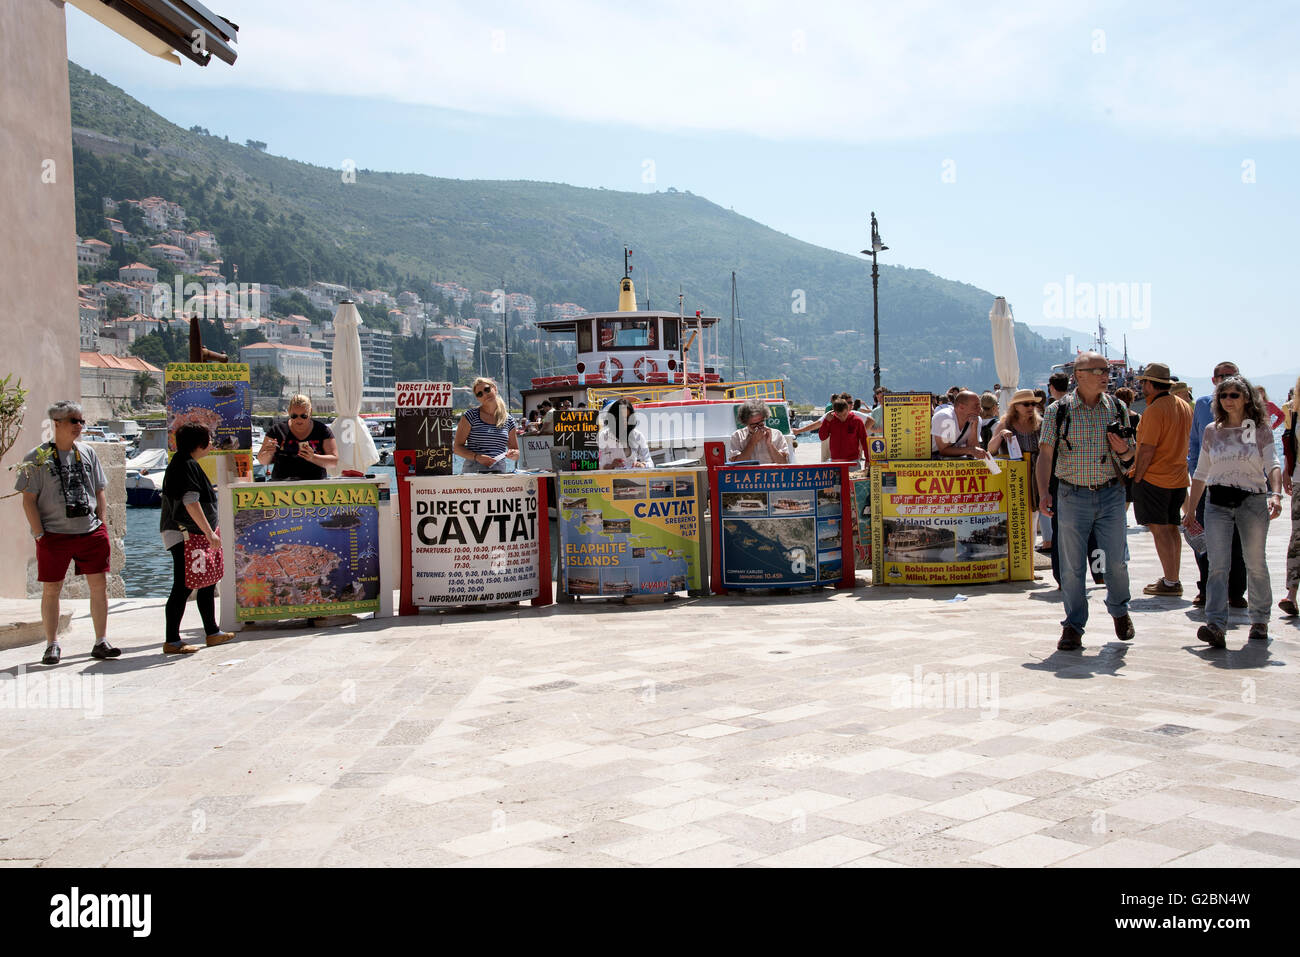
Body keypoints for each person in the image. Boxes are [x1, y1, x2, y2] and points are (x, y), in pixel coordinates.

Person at [1037, 352, 1137, 650]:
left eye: (1106, 370)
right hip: (1072, 494)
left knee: (1116, 561)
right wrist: (1044, 492)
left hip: (1110, 492)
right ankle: (1073, 625)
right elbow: (1045, 454)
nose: (1105, 375)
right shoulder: (1059, 411)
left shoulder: (1118, 407)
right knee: (1071, 566)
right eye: (1098, 370)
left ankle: (1119, 610)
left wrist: (1124, 451)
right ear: (1079, 375)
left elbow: (1131, 457)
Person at [1182, 375, 1283, 647]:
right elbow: (1201, 471)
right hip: (1217, 502)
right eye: (1223, 395)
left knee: (1255, 562)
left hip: (1252, 500)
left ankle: (1260, 619)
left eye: (1234, 395)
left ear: (1247, 398)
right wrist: (1191, 509)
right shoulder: (1212, 430)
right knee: (1217, 565)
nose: (1228, 400)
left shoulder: (1259, 428)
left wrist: (1276, 494)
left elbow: (1272, 463)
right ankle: (1215, 624)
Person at [15, 400, 118, 665]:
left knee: (99, 587)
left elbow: (99, 489)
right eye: (74, 420)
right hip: (54, 535)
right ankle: (52, 644)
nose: (79, 425)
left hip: (90, 532)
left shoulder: (87, 453)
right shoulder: (36, 458)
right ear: (57, 423)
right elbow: (28, 499)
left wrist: (102, 523)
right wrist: (39, 534)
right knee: (52, 589)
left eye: (81, 420)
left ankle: (101, 641)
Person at [159, 424, 235, 654]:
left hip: (195, 535)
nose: (211, 444)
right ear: (199, 444)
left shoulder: (186, 464)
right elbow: (190, 502)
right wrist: (209, 532)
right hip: (186, 535)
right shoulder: (185, 466)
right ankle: (172, 640)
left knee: (207, 582)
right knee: (183, 586)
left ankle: (212, 632)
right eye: (209, 440)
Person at [1130, 363, 1194, 597]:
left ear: (1149, 384)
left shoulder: (1155, 410)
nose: (1141, 386)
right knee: (1171, 528)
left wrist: (1137, 477)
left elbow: (1147, 449)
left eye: (1143, 382)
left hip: (1156, 477)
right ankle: (1172, 578)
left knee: (1159, 530)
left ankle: (1170, 581)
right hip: (1178, 476)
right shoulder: (1183, 405)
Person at [1187, 361, 1247, 609]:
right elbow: (1194, 442)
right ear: (1213, 381)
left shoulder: (1247, 405)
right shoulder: (1201, 404)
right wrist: (1194, 473)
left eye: (1230, 375)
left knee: (1237, 539)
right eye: (1220, 376)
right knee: (1203, 536)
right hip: (1207, 482)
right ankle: (1206, 588)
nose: (1224, 379)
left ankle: (1235, 591)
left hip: (1237, 484)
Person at [988, 388, 1043, 543]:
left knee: (1032, 517)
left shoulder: (1040, 424)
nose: (1031, 407)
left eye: (1033, 404)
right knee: (1014, 518)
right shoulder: (1005, 423)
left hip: (1034, 477)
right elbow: (991, 449)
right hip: (1013, 477)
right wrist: (1000, 435)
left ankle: (1029, 557)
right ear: (1016, 406)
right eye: (1026, 404)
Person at [256, 394, 338, 481]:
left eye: (304, 416)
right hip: (282, 486)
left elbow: (334, 462)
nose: (299, 420)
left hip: (314, 486)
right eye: (294, 416)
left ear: (310, 412)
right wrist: (268, 452)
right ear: (289, 412)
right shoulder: (277, 430)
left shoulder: (322, 430)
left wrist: (313, 457)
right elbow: (262, 461)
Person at [453, 376, 520, 473]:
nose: (484, 394)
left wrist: (513, 454)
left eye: (487, 389)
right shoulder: (470, 416)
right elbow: (457, 448)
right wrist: (477, 457)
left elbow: (516, 451)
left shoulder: (509, 420)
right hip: (474, 473)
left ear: (495, 389)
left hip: (499, 473)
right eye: (480, 394)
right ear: (478, 398)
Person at [1280, 376, 1300, 618]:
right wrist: (1287, 470)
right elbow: (1290, 445)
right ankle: (1291, 594)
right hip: (1299, 479)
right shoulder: (1294, 411)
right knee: (1297, 538)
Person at [727, 398, 792, 464]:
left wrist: (770, 444)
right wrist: (752, 442)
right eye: (753, 425)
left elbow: (784, 463)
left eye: (760, 423)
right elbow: (736, 465)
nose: (758, 427)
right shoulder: (737, 436)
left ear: (764, 418)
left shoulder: (777, 434)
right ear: (746, 423)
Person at [932, 391, 990, 459]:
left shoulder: (976, 419)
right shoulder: (945, 417)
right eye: (976, 406)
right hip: (929, 460)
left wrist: (974, 428)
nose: (980, 409)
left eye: (979, 405)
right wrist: (969, 450)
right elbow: (944, 451)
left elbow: (974, 452)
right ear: (961, 407)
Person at [598, 398, 652, 469]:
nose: (625, 422)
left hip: (634, 478)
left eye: (628, 418)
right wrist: (611, 465)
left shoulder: (638, 436)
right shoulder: (604, 436)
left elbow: (650, 463)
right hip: (611, 478)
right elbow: (597, 465)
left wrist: (643, 465)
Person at [819, 397, 870, 466]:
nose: (842, 417)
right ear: (834, 412)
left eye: (844, 414)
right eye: (839, 416)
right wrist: (826, 422)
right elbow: (822, 437)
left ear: (848, 409)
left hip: (853, 461)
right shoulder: (830, 420)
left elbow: (864, 440)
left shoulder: (857, 421)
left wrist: (867, 460)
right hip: (835, 461)